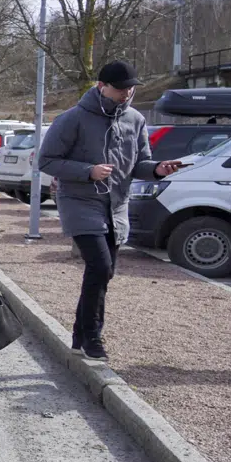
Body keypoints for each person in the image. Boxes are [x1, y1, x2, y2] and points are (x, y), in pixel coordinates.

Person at [37, 61, 183, 359]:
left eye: (130, 89)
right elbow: (47, 161)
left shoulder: (136, 120)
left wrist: (157, 169)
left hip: (117, 206)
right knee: (100, 266)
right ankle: (92, 338)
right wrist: (87, 171)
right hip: (80, 203)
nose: (126, 94)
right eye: (120, 89)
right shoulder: (72, 119)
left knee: (105, 272)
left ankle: (80, 333)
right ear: (101, 87)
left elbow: (139, 163)